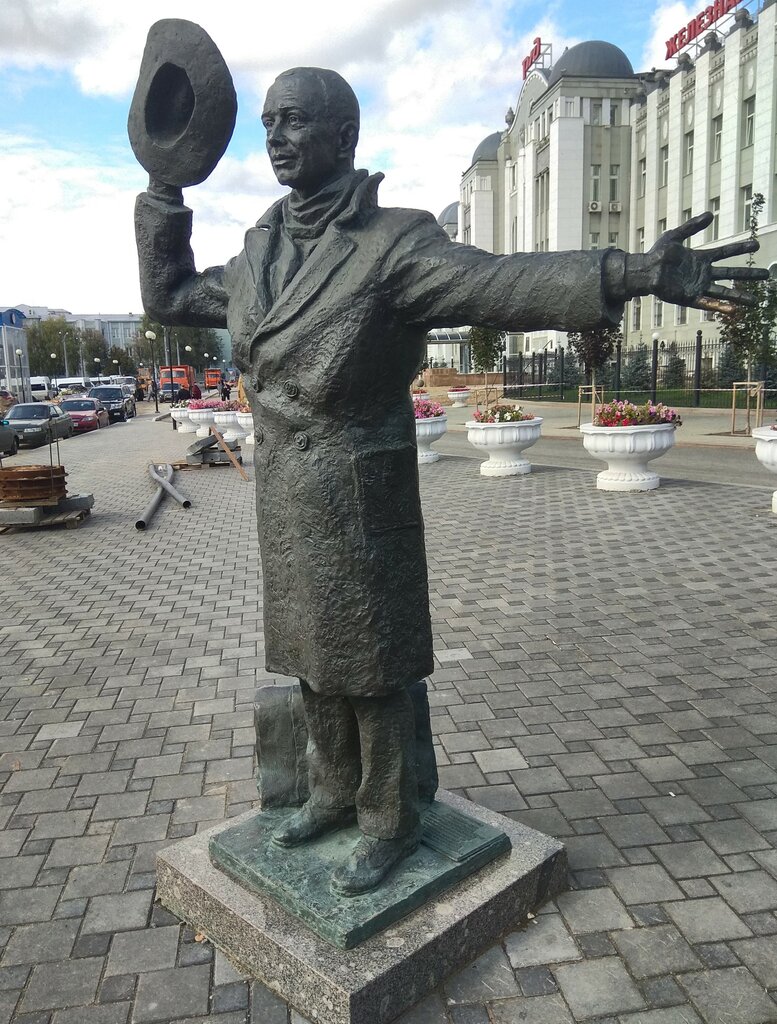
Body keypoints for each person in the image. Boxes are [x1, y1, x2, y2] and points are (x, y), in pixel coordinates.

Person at [135, 66, 766, 896]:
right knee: (309, 660)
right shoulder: (257, 252)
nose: (277, 140)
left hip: (360, 493)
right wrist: (163, 189)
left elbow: (497, 284)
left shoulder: (393, 243)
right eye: (266, 126)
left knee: (373, 666)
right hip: (285, 494)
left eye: (292, 122)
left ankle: (387, 819)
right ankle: (329, 793)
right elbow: (172, 295)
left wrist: (627, 274)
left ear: (343, 137)